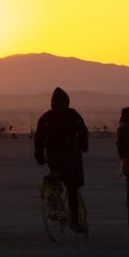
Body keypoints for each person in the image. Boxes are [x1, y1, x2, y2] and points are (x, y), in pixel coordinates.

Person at [33, 87, 90, 232]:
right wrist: (84, 146)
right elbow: (83, 131)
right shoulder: (72, 115)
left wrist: (39, 156)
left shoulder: (46, 117)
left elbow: (39, 138)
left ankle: (54, 206)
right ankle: (75, 221)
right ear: (67, 102)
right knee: (72, 188)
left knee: (55, 180)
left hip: (54, 158)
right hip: (71, 158)